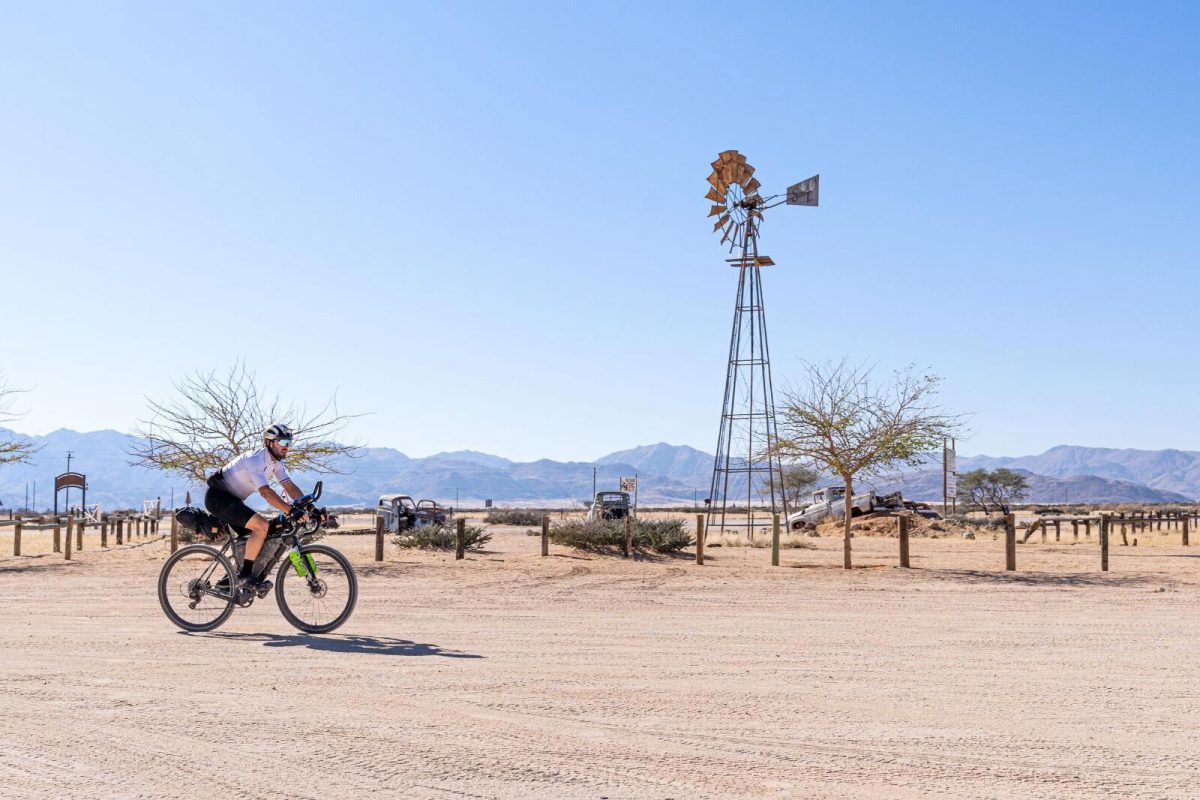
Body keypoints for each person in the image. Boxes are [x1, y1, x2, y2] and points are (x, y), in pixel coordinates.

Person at [205, 423, 308, 596]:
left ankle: (227, 582)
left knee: (260, 535)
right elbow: (266, 492)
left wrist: (309, 507)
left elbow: (289, 486)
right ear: (269, 442)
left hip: (233, 501)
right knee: (261, 525)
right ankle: (246, 575)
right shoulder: (255, 459)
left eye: (288, 443)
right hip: (218, 497)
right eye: (282, 442)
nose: (286, 447)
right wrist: (291, 511)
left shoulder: (276, 463)